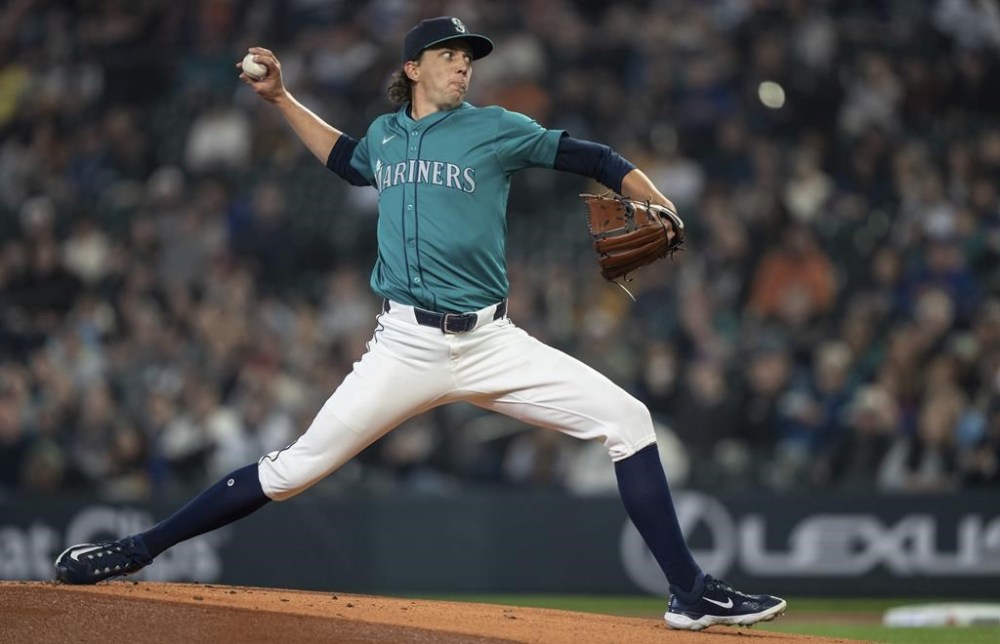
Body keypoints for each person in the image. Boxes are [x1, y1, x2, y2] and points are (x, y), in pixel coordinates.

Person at [54, 17, 786, 631]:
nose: (464, 66)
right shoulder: (386, 136)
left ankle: (689, 592)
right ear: (413, 67)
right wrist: (280, 98)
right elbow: (345, 160)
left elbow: (589, 155)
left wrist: (653, 196)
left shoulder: (496, 129)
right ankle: (139, 549)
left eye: (469, 58)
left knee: (628, 419)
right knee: (292, 471)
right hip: (403, 345)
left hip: (493, 342)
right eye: (450, 55)